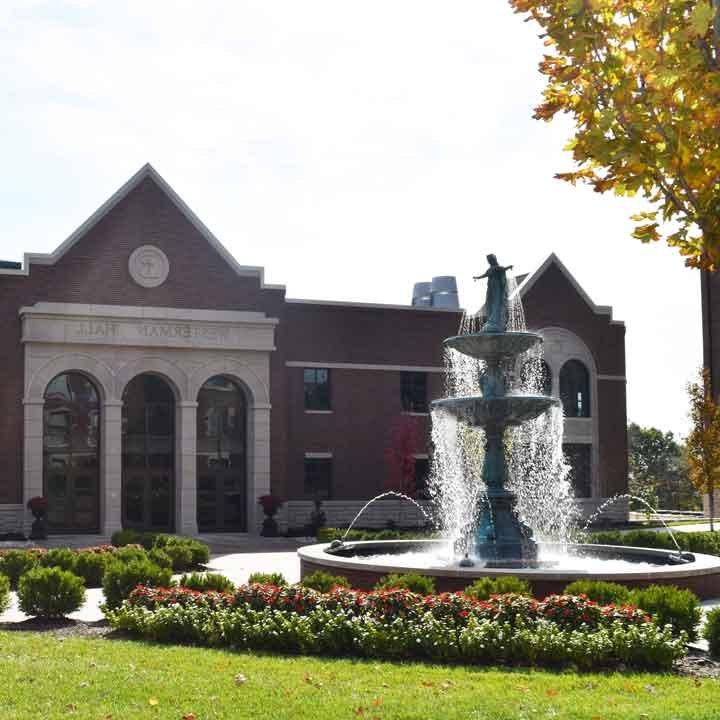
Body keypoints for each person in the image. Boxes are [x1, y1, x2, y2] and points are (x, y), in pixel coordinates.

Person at [473, 254, 513, 333]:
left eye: (490, 260)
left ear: (493, 260)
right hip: (491, 288)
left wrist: (509, 267)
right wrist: (477, 278)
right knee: (490, 303)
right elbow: (484, 275)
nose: (489, 261)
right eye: (488, 260)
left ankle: (496, 321)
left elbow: (503, 269)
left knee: (496, 303)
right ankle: (491, 321)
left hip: (497, 288)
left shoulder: (497, 268)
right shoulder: (490, 269)